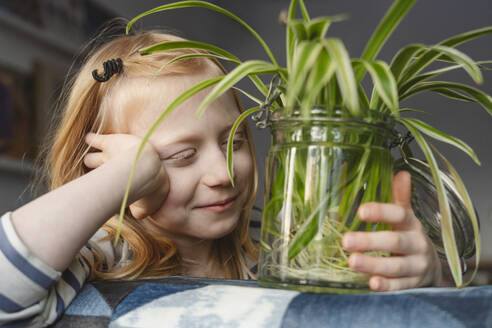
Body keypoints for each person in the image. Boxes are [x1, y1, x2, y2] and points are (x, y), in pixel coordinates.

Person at [0, 26, 442, 326]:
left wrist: (420, 274)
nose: (222, 172)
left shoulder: (276, 247)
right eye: (181, 154)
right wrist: (126, 176)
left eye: (236, 141)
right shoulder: (103, 255)